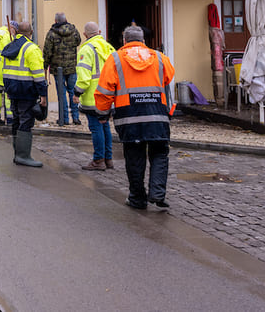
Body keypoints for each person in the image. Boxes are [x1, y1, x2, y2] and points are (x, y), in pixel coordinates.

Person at [96, 25, 175, 210]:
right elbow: (169, 76)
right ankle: (157, 193)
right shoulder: (159, 58)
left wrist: (102, 113)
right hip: (157, 116)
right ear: (144, 41)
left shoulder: (115, 59)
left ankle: (137, 198)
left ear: (124, 41)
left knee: (134, 158)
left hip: (129, 118)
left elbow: (104, 91)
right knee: (160, 153)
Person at [2, 20, 48, 167]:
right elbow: (39, 76)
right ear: (31, 33)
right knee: (26, 122)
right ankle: (23, 156)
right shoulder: (32, 49)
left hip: (13, 90)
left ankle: (17, 153)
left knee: (16, 120)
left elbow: (5, 70)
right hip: (27, 92)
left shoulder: (10, 46)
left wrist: (8, 89)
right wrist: (43, 95)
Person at [76, 22, 116, 170]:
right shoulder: (109, 47)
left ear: (85, 35)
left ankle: (98, 160)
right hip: (108, 95)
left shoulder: (86, 50)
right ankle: (108, 159)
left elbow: (84, 77)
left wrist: (76, 93)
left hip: (93, 97)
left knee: (96, 128)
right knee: (105, 126)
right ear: (99, 31)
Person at [42, 12, 82, 126]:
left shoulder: (51, 34)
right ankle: (76, 117)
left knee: (62, 93)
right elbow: (78, 41)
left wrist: (45, 65)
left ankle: (64, 119)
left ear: (55, 21)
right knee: (73, 92)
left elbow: (47, 51)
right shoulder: (74, 31)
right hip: (72, 67)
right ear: (66, 19)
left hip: (57, 68)